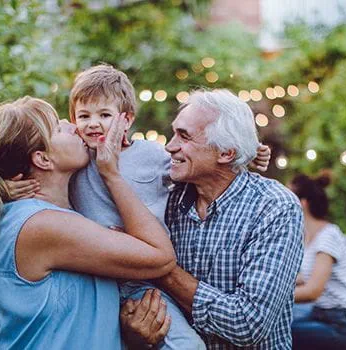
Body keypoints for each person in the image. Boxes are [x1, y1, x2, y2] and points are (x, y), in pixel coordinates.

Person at [3, 64, 270, 350]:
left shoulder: (150, 155)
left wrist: (241, 154)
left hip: (144, 279)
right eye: (83, 117)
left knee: (187, 345)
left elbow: (195, 164)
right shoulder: (79, 160)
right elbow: (20, 165)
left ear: (126, 119)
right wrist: (4, 188)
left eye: (104, 115)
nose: (93, 124)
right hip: (100, 273)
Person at [0, 96, 176, 349]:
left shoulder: (44, 215)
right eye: (58, 127)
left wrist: (128, 335)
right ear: (43, 160)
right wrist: (110, 173)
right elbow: (161, 257)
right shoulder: (41, 225)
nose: (73, 126)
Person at [120, 89, 304, 349]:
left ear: (226, 153)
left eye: (184, 136)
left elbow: (248, 323)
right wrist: (136, 331)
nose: (170, 146)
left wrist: (156, 263)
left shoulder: (274, 207)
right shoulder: (166, 198)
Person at [288, 172, 346, 350]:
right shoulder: (310, 236)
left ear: (302, 203)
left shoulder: (327, 236)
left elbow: (313, 291)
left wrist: (269, 297)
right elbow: (302, 277)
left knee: (273, 333)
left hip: (342, 326)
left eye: (287, 196)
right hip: (322, 315)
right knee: (275, 323)